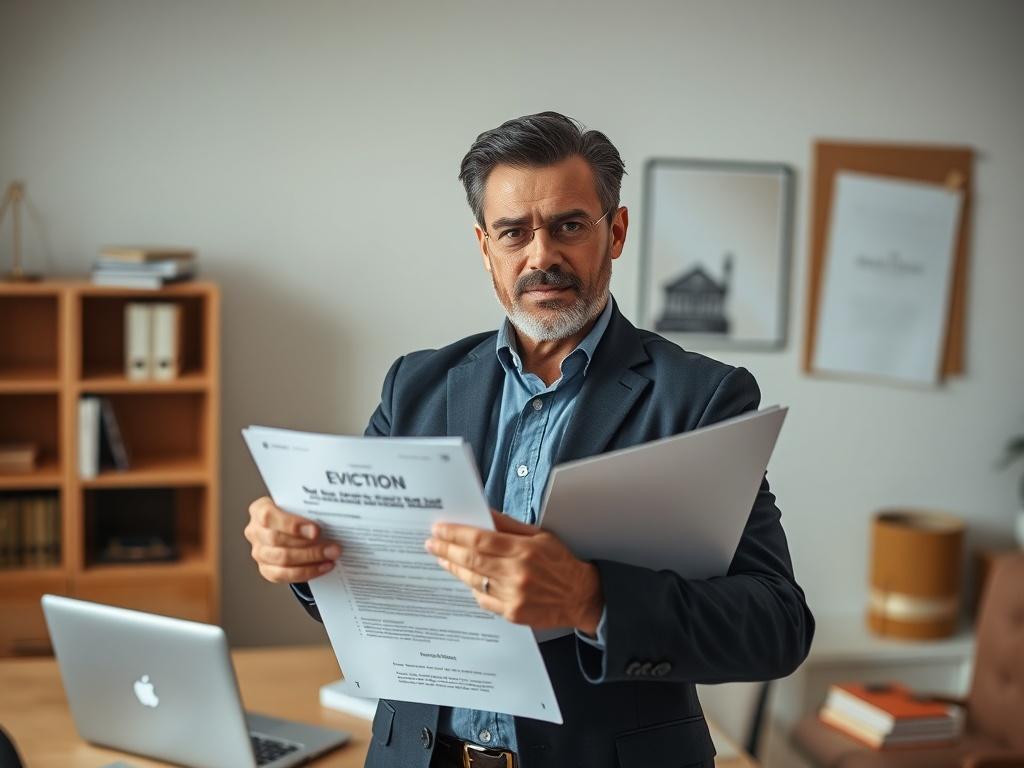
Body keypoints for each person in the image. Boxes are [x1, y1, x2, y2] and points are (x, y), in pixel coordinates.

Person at [244, 111, 814, 768]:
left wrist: (589, 598)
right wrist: (301, 555)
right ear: (486, 247)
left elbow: (777, 625)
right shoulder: (416, 385)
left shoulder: (700, 398)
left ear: (616, 232)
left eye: (569, 226)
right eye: (514, 232)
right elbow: (368, 579)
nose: (541, 255)